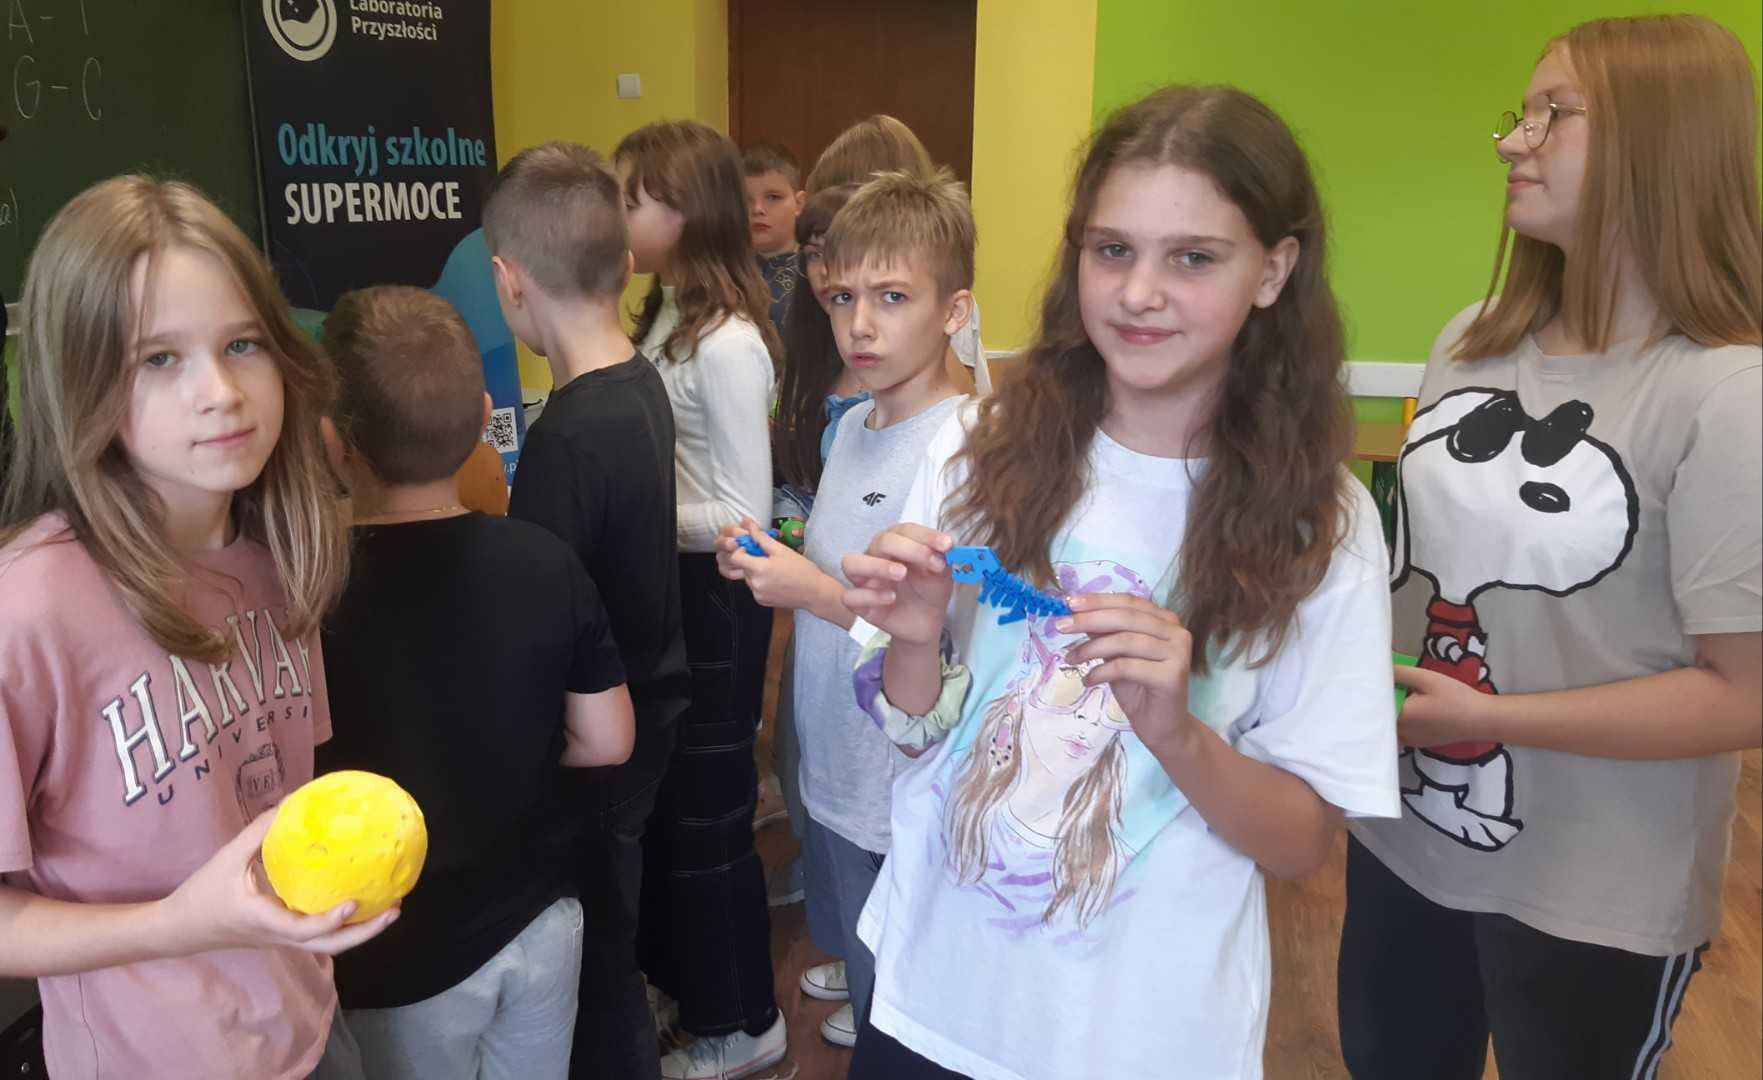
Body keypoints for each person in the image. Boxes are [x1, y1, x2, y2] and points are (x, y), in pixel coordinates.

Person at [838, 86, 1399, 1078]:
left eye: (1192, 257)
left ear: (1272, 270)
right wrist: (915, 639)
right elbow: (912, 729)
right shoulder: (975, 447)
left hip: (1138, 1036)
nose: (1138, 293)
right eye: (1111, 250)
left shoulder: (1324, 527)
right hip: (932, 993)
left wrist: (1176, 732)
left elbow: (1299, 845)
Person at [1340, 16, 1762, 1079]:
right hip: (1403, 836)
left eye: (1551, 115)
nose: (1509, 142)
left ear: (1660, 139)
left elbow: (1742, 696)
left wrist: (1488, 720)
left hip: (1595, 893)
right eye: (1517, 114)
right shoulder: (1469, 337)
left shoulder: (1727, 393)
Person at [0, 175, 387, 1079]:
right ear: (79, 379)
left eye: (242, 344)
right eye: (158, 359)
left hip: (309, 1021)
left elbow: (270, 797)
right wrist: (181, 922)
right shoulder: (29, 608)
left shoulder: (281, 547)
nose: (220, 392)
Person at [317, 284, 636, 1079]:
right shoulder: (543, 561)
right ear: (482, 418)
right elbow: (607, 739)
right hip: (541, 924)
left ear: (329, 440)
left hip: (394, 956)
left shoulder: (303, 597)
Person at [718, 169, 975, 1047]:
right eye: (842, 297)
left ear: (953, 311)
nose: (860, 324)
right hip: (836, 759)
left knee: (903, 1015)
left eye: (892, 297)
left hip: (896, 786)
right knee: (867, 980)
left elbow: (951, 653)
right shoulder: (854, 425)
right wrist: (777, 554)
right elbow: (844, 562)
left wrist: (809, 591)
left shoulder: (962, 449)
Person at [491, 141, 692, 1080]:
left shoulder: (567, 438)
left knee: (600, 966)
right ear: (623, 264)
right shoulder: (639, 381)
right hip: (647, 713)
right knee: (615, 936)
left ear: (510, 281)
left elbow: (541, 629)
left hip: (597, 746)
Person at [614, 120, 786, 1080]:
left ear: (684, 212)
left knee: (713, 822)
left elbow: (746, 517)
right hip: (677, 591)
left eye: (631, 198)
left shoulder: (725, 344)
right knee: (678, 812)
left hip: (717, 600)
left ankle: (745, 1021)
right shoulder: (663, 316)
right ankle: (695, 997)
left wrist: (636, 514)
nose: (617, 216)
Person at [742, 143, 807, 331]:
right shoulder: (722, 275)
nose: (757, 209)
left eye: (773, 197)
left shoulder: (814, 274)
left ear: (799, 204)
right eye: (746, 200)